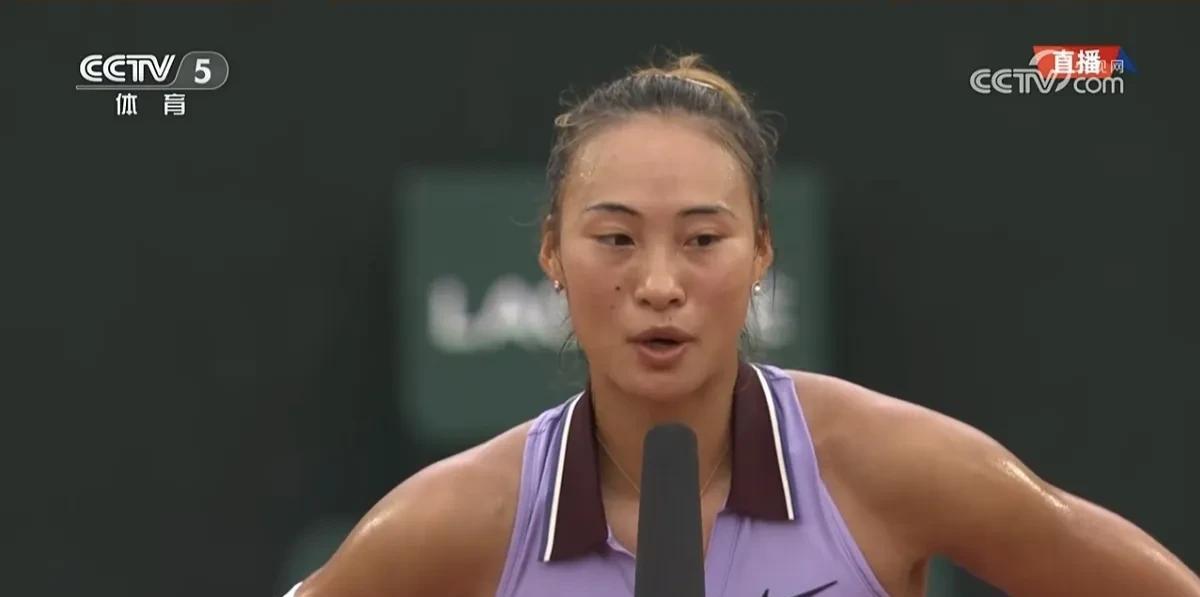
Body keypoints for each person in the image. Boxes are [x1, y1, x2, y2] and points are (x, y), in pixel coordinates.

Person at [285, 55, 1200, 597]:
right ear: (552, 253)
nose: (658, 284)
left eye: (702, 239)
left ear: (762, 250)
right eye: (614, 238)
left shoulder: (889, 466)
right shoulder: (457, 519)